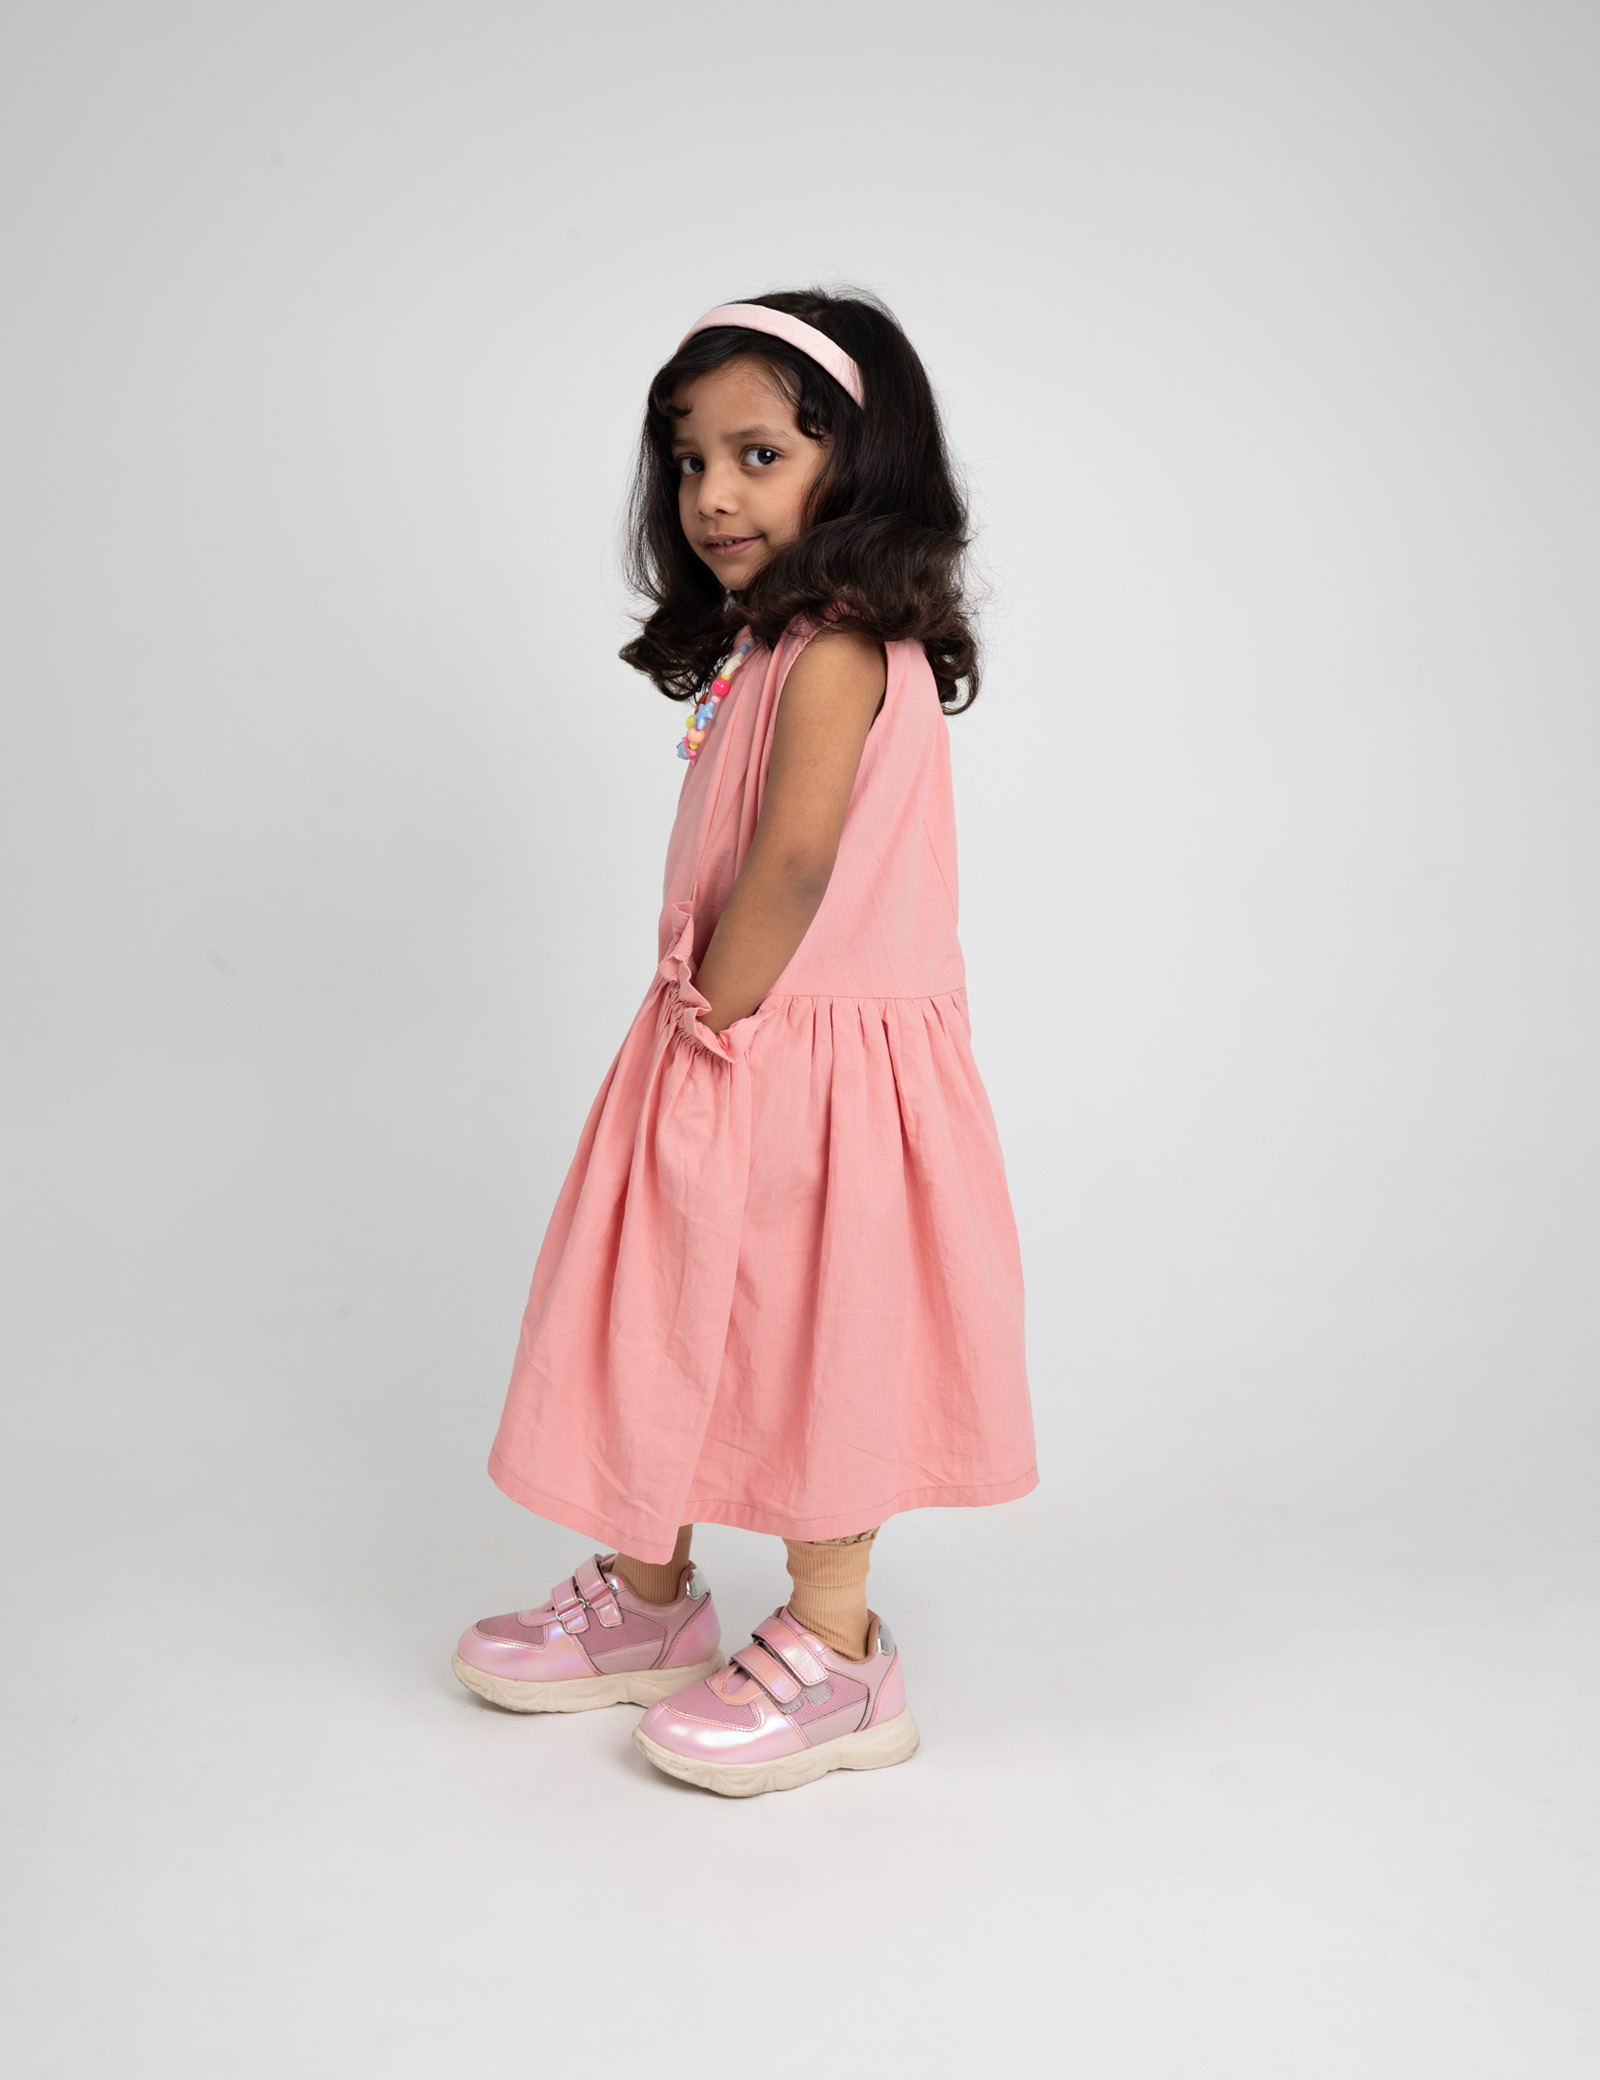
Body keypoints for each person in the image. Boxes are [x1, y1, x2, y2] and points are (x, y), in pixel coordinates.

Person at [452, 290, 1036, 1797]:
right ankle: (651, 1597)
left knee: (814, 1330)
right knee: (661, 1301)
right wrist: (702, 1023)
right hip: (727, 1032)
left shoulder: (839, 651)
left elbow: (792, 864)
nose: (713, 493)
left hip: (800, 1056)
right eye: (690, 459)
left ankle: (839, 1649)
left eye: (759, 454)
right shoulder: (766, 646)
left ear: (861, 464)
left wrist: (713, 1012)